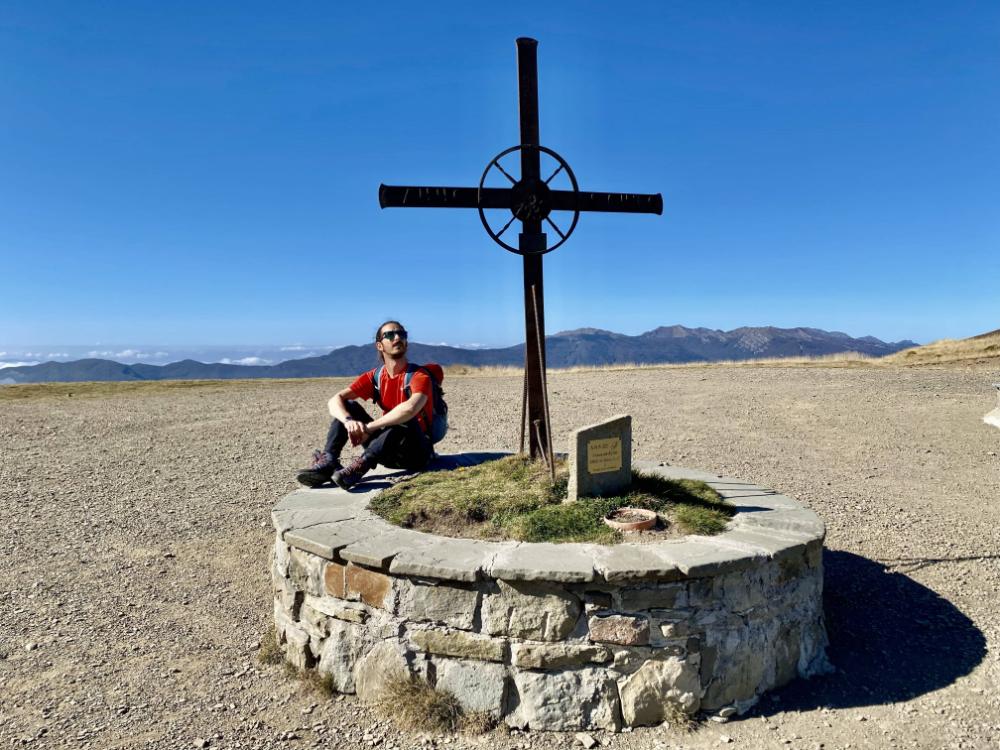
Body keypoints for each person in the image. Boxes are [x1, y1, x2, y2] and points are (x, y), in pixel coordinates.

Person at [296, 320, 441, 489]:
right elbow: (334, 400)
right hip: (386, 450)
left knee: (403, 419)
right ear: (380, 345)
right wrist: (348, 421)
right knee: (347, 405)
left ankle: (361, 465)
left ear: (406, 342)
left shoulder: (419, 375)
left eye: (402, 334)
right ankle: (329, 460)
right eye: (390, 335)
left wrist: (368, 427)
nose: (397, 337)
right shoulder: (375, 377)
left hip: (417, 453)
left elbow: (409, 409)